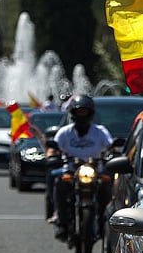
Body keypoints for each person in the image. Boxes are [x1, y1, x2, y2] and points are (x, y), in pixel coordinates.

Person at [48, 95, 113, 240]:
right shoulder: (65, 132)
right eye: (79, 112)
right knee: (60, 183)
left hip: (95, 170)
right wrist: (52, 155)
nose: (82, 116)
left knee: (107, 184)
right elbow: (53, 148)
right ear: (72, 114)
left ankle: (105, 223)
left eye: (85, 112)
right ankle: (60, 220)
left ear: (91, 114)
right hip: (71, 170)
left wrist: (113, 153)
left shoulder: (100, 131)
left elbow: (111, 146)